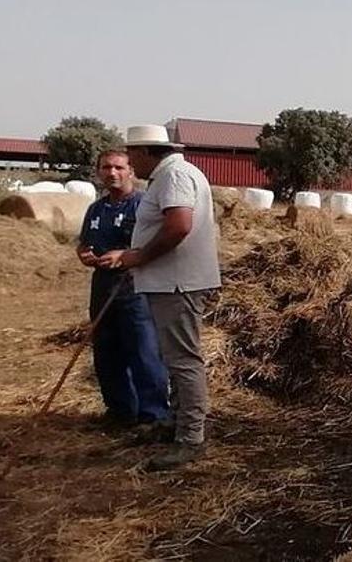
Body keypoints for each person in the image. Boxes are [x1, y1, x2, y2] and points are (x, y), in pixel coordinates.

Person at [100, 124, 220, 470]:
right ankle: (177, 423)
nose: (132, 162)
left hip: (177, 282)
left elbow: (179, 225)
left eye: (133, 154)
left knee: (183, 361)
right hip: (169, 281)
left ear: (149, 152)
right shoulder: (173, 174)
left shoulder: (175, 176)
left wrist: (138, 257)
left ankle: (191, 438)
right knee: (175, 358)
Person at [76, 149, 171, 429]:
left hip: (135, 286)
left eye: (118, 167)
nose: (112, 173)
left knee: (143, 351)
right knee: (106, 351)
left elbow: (157, 244)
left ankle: (153, 415)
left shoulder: (144, 206)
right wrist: (83, 254)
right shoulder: (96, 209)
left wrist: (125, 255)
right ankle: (119, 410)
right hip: (102, 286)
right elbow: (83, 243)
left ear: (130, 171)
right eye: (106, 167)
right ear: (98, 172)